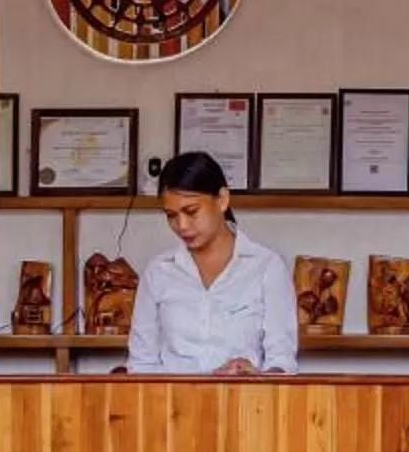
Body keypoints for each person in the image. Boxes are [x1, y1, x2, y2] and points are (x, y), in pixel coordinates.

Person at [125, 152, 299, 375]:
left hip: (243, 405)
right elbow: (141, 364)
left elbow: (282, 361)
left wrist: (255, 375)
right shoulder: (159, 271)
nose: (182, 226)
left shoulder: (266, 267)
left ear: (222, 200)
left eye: (191, 212)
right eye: (171, 215)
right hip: (171, 406)